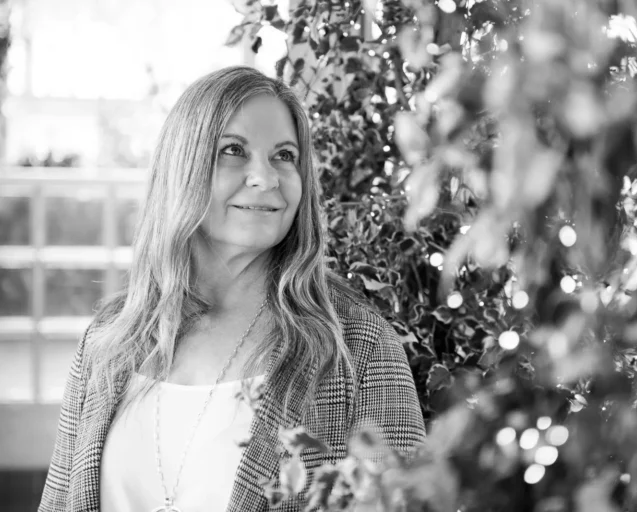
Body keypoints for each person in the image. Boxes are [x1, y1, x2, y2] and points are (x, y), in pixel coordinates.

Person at [38, 66, 426, 512]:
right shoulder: (107, 341)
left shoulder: (360, 349)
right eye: (234, 150)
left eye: (284, 155)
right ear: (182, 166)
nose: (266, 177)